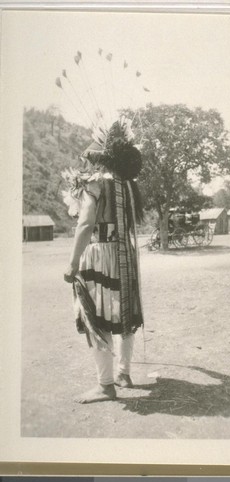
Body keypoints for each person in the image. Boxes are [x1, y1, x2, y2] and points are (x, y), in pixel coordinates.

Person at [63, 119, 144, 404]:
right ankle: (123, 373)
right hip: (124, 254)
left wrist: (72, 263)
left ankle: (105, 385)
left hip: (99, 254)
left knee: (98, 318)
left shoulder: (95, 184)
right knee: (121, 315)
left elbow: (85, 225)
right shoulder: (129, 186)